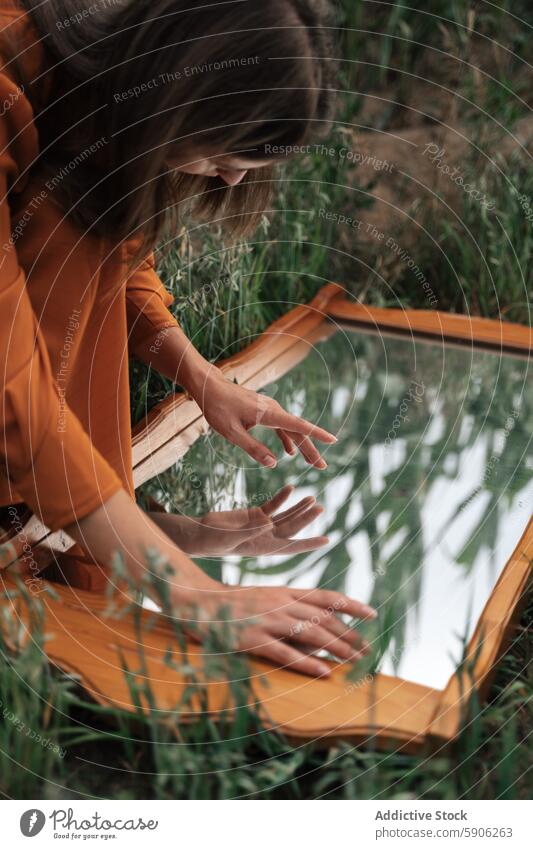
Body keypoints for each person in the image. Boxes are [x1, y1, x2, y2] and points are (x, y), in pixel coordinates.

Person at [0, 0, 375, 677]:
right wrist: (195, 595)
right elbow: (12, 389)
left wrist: (201, 378)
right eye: (227, 149)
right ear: (180, 89)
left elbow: (114, 258)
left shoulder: (103, 101)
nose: (232, 178)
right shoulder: (11, 82)